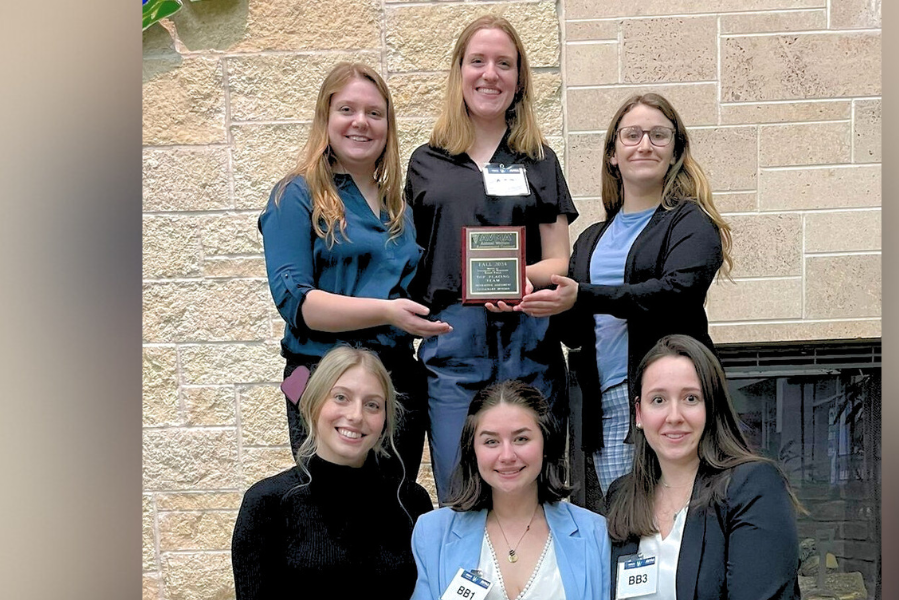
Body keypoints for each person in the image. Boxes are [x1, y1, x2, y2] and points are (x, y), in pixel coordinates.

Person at [516, 93, 734, 495]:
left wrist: (583, 295)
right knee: (624, 523)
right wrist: (541, 303)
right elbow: (576, 333)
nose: (645, 145)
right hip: (608, 407)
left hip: (669, 401)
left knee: (679, 515)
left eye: (658, 135)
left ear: (675, 152)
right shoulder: (589, 240)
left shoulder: (690, 223)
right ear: (613, 154)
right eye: (632, 135)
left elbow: (675, 293)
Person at [405, 15, 577, 502]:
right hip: (454, 348)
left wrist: (518, 280)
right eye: (477, 61)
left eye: (505, 64)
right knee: (461, 490)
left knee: (537, 491)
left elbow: (558, 259)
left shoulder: (538, 159)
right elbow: (410, 261)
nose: (490, 74)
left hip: (528, 343)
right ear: (459, 72)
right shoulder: (425, 163)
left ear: (519, 79)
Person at [259, 61, 450, 476]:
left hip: (397, 382)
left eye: (374, 113)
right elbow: (298, 303)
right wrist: (385, 311)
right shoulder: (296, 195)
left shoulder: (399, 207)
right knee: (330, 515)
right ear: (326, 118)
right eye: (347, 110)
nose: (361, 122)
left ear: (387, 126)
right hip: (322, 380)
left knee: (394, 510)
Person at [605, 335, 800, 600]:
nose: (674, 417)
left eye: (691, 399)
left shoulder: (752, 486)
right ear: (639, 413)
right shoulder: (622, 495)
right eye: (659, 400)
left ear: (712, 407)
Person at [231, 346, 434, 599]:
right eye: (341, 397)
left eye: (372, 404)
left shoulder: (412, 502)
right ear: (314, 404)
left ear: (384, 419)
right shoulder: (267, 502)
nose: (356, 415)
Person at [411, 380, 609, 600]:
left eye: (521, 439)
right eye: (491, 441)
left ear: (546, 443)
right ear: (472, 450)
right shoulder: (432, 533)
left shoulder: (594, 532)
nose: (507, 456)